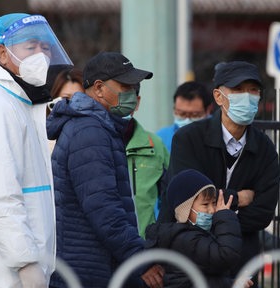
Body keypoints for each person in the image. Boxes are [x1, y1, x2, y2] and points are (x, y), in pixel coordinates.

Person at [0, 13, 72, 288]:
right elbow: (0, 194)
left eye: (45, 47)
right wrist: (25, 263)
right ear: (3, 53)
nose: (40, 55)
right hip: (1, 268)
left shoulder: (17, 101)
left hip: (12, 263)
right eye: (30, 47)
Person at [47, 51, 163, 288]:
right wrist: (139, 259)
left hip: (93, 266)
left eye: (135, 86)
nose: (132, 93)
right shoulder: (90, 131)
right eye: (125, 85)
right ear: (99, 88)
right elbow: (104, 209)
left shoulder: (100, 127)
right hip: (85, 270)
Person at [159, 61, 280, 286]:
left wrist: (209, 209)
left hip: (242, 263)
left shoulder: (264, 147)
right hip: (190, 261)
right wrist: (240, 198)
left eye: (253, 90)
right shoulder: (188, 139)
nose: (247, 96)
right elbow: (185, 202)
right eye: (237, 90)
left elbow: (263, 213)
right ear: (218, 96)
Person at [145, 169, 250, 288]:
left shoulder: (195, 234)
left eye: (214, 203)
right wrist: (226, 216)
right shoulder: (185, 239)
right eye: (205, 204)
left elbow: (204, 280)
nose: (212, 210)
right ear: (185, 209)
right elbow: (226, 255)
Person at [123, 83, 169, 238]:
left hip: (145, 246)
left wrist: (157, 238)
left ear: (137, 102)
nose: (120, 101)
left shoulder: (154, 144)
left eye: (127, 96)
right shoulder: (93, 141)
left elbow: (171, 200)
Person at [156, 81, 213, 152]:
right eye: (182, 114)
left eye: (194, 115)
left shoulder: (221, 134)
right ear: (174, 109)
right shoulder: (161, 138)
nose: (187, 120)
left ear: (208, 110)